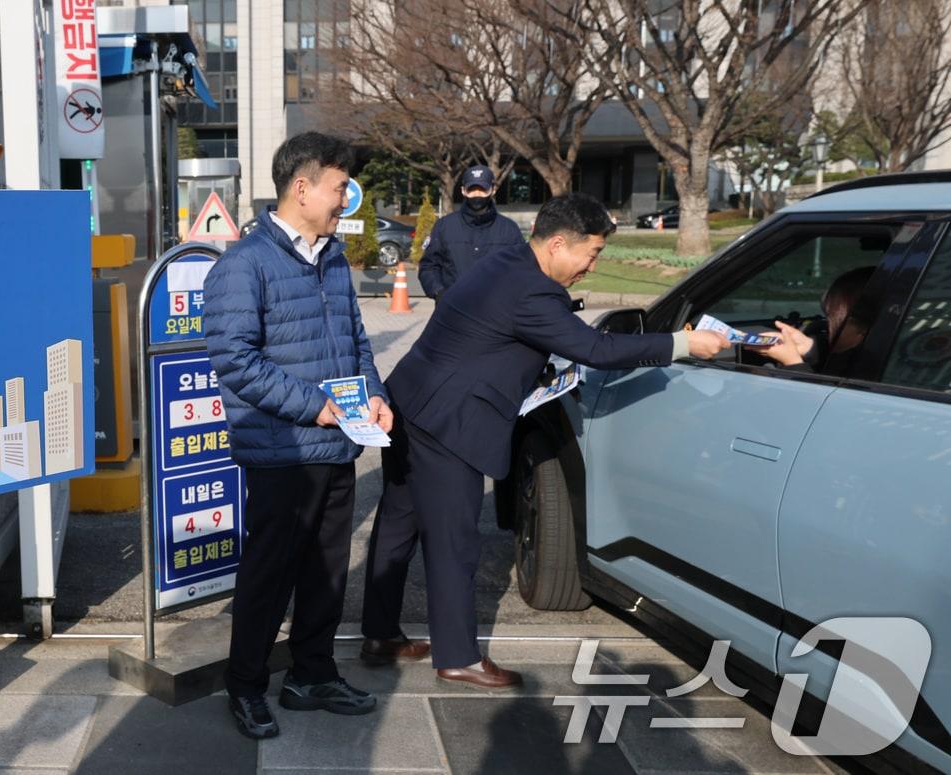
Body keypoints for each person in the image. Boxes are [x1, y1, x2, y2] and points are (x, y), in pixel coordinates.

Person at [360, 193, 730, 689]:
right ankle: (458, 657)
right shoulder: (531, 290)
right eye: (592, 253)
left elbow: (502, 340)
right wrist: (683, 343)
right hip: (449, 422)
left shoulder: (508, 263)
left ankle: (379, 634)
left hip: (412, 403)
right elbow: (595, 348)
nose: (592, 266)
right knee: (453, 543)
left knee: (398, 525)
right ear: (557, 244)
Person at [204, 131, 393, 740]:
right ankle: (246, 685)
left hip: (337, 442)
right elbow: (235, 360)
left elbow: (357, 341)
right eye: (340, 187)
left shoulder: (332, 256)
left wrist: (374, 397)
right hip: (282, 449)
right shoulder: (244, 263)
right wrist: (316, 409)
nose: (347, 199)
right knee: (269, 575)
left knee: (327, 571)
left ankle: (312, 673)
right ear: (302, 187)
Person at [417, 165, 525, 299]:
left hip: (495, 312)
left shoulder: (509, 229)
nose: (477, 194)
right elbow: (429, 266)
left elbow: (521, 269)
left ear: (493, 190)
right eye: (472, 189)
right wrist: (438, 292)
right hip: (452, 309)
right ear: (463, 191)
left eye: (482, 189)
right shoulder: (444, 226)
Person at [754, 266, 876, 373]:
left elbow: (824, 396)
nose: (828, 327)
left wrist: (792, 364)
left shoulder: (871, 370)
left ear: (862, 329)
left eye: (830, 319)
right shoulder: (876, 356)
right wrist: (809, 347)